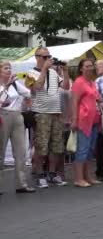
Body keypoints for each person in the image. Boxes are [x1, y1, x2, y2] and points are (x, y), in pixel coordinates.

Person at [27, 47, 70, 188]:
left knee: (56, 146)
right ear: (37, 57)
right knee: (41, 146)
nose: (48, 59)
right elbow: (37, 88)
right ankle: (40, 175)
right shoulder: (30, 73)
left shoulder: (53, 72)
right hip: (41, 113)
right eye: (44, 57)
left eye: (49, 56)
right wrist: (44, 69)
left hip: (56, 113)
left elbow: (66, 86)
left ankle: (52, 174)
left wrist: (65, 71)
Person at [0, 61, 35, 194]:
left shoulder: (15, 84)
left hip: (17, 115)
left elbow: (28, 93)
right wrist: (7, 85)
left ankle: (22, 184)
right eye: (5, 68)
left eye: (9, 68)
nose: (9, 70)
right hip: (2, 116)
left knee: (20, 152)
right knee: (0, 152)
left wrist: (30, 84)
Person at [70, 59, 102, 188]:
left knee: (90, 150)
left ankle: (87, 176)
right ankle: (78, 178)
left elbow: (96, 98)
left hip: (94, 120)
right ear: (81, 69)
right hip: (84, 121)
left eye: (91, 66)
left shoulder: (92, 82)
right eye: (87, 66)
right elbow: (74, 102)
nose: (90, 68)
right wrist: (74, 120)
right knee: (82, 150)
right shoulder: (79, 82)